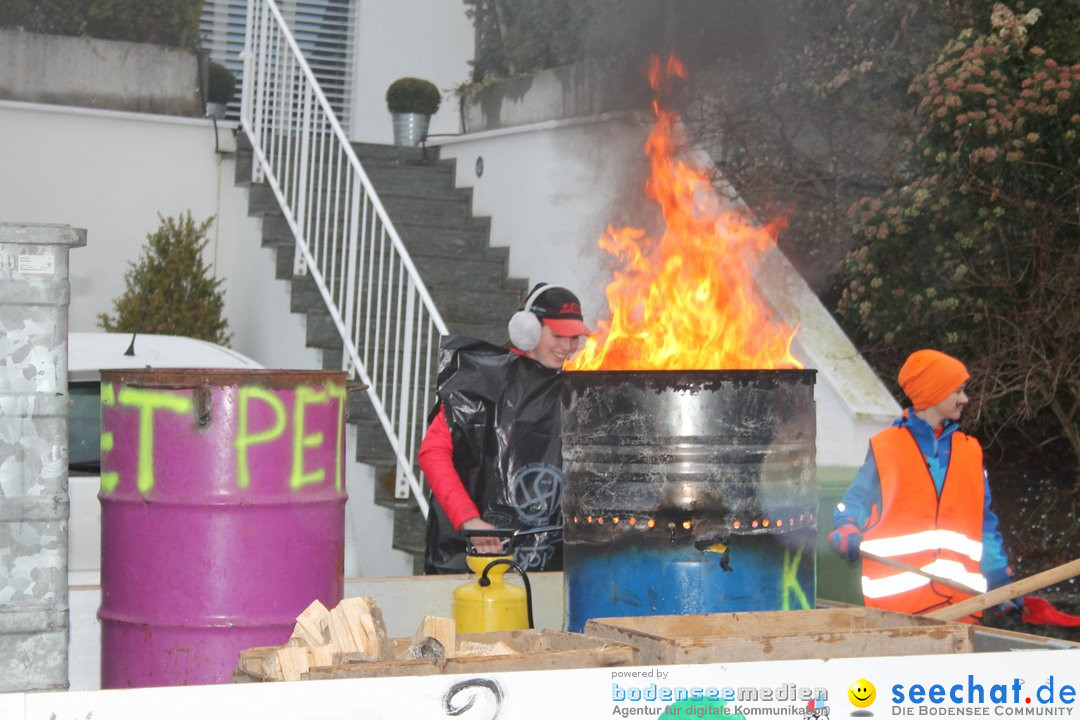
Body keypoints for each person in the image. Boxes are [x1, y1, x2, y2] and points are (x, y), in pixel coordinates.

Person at [828, 349, 1017, 620]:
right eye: (958, 391)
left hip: (961, 609)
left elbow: (985, 525)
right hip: (898, 614)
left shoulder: (970, 452)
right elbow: (856, 500)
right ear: (934, 393)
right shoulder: (887, 448)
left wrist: (1000, 580)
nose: (965, 399)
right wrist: (846, 523)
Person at [419, 282, 590, 574]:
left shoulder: (577, 388)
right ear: (529, 329)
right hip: (473, 564)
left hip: (549, 571)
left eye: (575, 337)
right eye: (558, 335)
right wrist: (469, 520)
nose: (567, 346)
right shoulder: (480, 379)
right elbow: (432, 453)